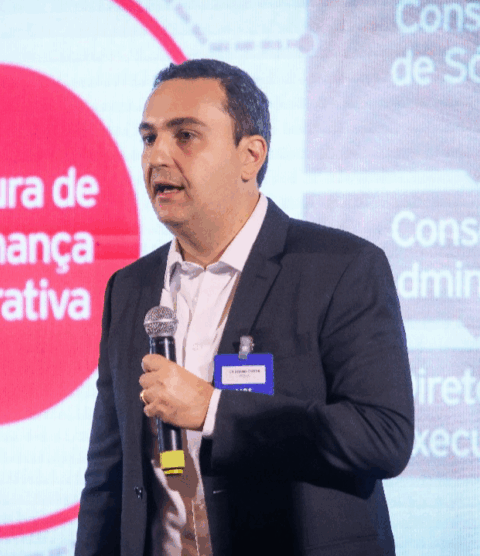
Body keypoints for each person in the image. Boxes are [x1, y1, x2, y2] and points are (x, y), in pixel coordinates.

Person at [75, 59, 414, 556]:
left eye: (185, 135)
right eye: (149, 138)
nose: (157, 155)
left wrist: (213, 410)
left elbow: (382, 436)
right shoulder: (128, 288)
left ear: (250, 156)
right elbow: (108, 476)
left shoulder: (341, 268)